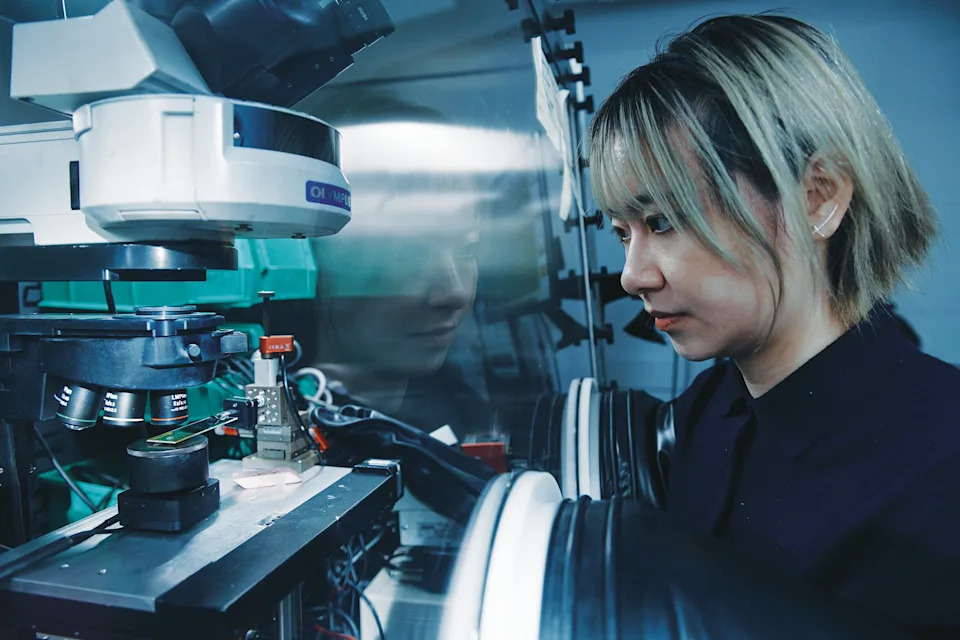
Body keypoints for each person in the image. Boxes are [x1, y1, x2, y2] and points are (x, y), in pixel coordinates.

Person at [588, 13, 960, 638]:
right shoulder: (707, 408)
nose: (632, 276)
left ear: (818, 197)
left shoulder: (944, 464)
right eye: (624, 233)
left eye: (664, 222)